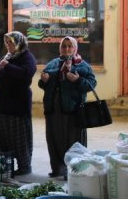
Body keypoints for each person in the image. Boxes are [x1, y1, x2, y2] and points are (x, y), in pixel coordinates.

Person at [38, 36, 97, 178]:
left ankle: (74, 171)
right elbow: (42, 84)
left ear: (75, 48)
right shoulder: (53, 63)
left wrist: (78, 80)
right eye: (64, 46)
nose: (66, 49)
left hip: (74, 111)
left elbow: (91, 84)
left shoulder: (82, 65)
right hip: (54, 110)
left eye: (70, 46)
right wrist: (44, 81)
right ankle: (58, 169)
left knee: (73, 142)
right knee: (54, 139)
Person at [0, 31, 37, 176]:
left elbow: (26, 74)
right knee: (2, 137)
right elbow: (0, 79)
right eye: (7, 42)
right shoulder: (8, 57)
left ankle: (24, 166)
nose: (8, 45)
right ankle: (6, 166)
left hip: (17, 105)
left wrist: (7, 66)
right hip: (1, 104)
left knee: (19, 138)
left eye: (11, 42)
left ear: (19, 43)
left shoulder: (27, 57)